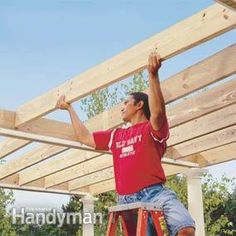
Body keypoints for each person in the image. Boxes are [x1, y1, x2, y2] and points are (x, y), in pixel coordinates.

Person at [57, 52, 195, 236]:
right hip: (127, 201)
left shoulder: (151, 128)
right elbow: (85, 137)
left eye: (126, 102)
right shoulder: (116, 135)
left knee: (185, 228)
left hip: (156, 194)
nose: (122, 106)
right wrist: (69, 109)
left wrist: (153, 75)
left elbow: (159, 113)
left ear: (139, 105)